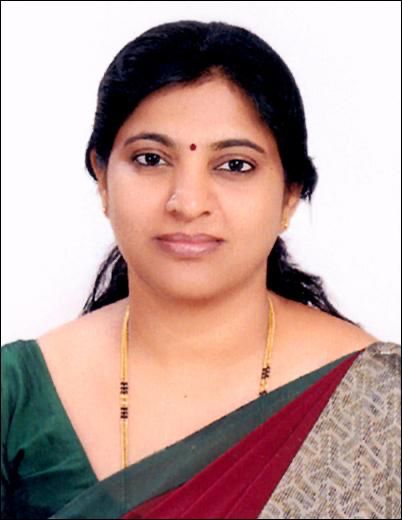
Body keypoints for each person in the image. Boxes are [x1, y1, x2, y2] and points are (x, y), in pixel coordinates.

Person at [1, 20, 400, 520]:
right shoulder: (17, 398)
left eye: (234, 165)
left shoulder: (378, 404)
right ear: (102, 178)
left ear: (289, 195)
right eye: (151, 159)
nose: (188, 203)